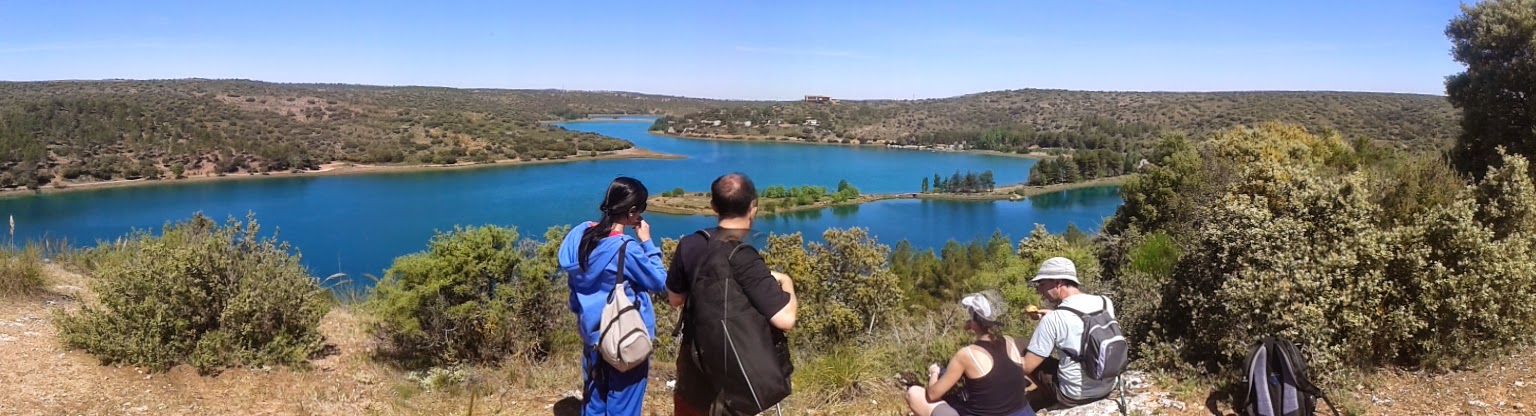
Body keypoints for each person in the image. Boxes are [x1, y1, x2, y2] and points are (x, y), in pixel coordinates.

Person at [667, 172, 799, 416]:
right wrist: (786, 281)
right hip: (735, 378)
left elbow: (675, 299)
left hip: (694, 369)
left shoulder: (690, 244)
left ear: (713, 206)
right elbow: (785, 319)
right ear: (753, 207)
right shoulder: (744, 256)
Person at [558, 176, 669, 416]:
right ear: (632, 211)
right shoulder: (625, 249)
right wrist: (647, 242)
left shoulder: (580, 237)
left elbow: (575, 288)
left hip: (593, 337)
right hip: (624, 339)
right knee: (624, 406)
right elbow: (660, 282)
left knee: (594, 403)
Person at [902, 291, 1036, 416]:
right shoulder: (1010, 342)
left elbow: (932, 395)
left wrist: (934, 373)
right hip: (1024, 412)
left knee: (914, 393)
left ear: (975, 322)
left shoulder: (967, 355)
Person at [1022, 257, 1118, 411]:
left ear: (1058, 283)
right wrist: (1052, 314)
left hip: (1075, 395)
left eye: (1042, 284)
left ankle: (1048, 398)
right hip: (1108, 385)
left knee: (1026, 352)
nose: (1040, 291)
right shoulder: (1105, 302)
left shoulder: (1053, 319)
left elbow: (1027, 367)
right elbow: (1082, 323)